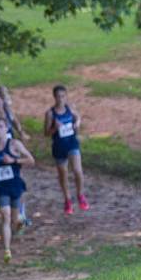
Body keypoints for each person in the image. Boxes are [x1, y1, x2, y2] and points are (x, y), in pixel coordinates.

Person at [0, 116, 36, 262]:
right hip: (1, 187)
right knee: (5, 216)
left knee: (15, 220)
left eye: (1, 127)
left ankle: (21, 220)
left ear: (6, 128)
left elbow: (31, 160)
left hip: (15, 185)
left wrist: (14, 160)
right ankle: (7, 250)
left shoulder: (14, 144)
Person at [43, 85, 89, 215]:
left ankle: (80, 195)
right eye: (58, 96)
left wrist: (77, 124)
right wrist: (54, 129)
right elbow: (46, 133)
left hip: (72, 143)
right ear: (54, 97)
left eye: (63, 96)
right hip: (59, 146)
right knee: (63, 174)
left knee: (77, 170)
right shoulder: (50, 113)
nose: (61, 99)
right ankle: (67, 200)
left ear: (66, 96)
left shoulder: (70, 108)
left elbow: (78, 117)